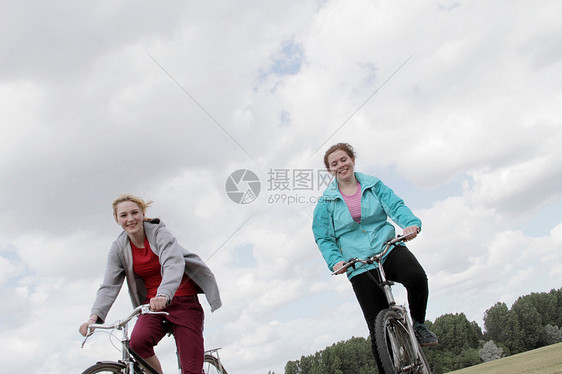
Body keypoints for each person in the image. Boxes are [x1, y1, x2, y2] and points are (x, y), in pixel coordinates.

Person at [312, 143, 437, 371]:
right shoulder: (326, 203)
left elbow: (395, 205)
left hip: (387, 248)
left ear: (352, 159)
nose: (341, 165)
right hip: (358, 264)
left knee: (416, 277)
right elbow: (323, 237)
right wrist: (335, 260)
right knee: (377, 329)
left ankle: (418, 325)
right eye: (334, 164)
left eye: (343, 159)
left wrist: (410, 224)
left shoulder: (373, 185)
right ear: (330, 170)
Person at [79, 194, 222, 374]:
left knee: (191, 370)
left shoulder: (160, 234)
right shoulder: (119, 248)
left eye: (134, 213)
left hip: (183, 300)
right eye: (123, 216)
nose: (130, 219)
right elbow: (109, 285)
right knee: (137, 343)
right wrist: (94, 318)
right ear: (117, 220)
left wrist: (163, 294)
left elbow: (173, 264)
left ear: (142, 213)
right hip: (152, 306)